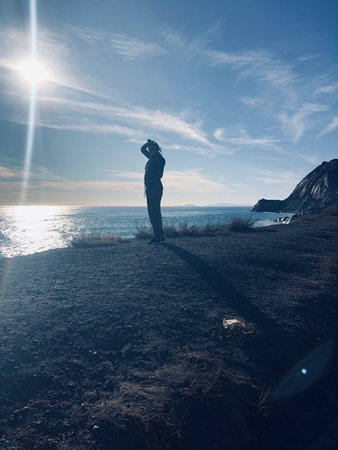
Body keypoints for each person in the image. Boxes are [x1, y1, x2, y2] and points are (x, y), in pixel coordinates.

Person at [141, 139, 166, 244]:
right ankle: (159, 235)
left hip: (154, 188)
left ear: (156, 149)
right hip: (150, 188)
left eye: (152, 149)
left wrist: (150, 187)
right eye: (150, 149)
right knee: (153, 212)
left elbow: (159, 175)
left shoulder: (159, 159)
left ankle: (158, 236)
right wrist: (147, 144)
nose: (150, 151)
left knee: (154, 212)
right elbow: (142, 150)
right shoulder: (152, 157)